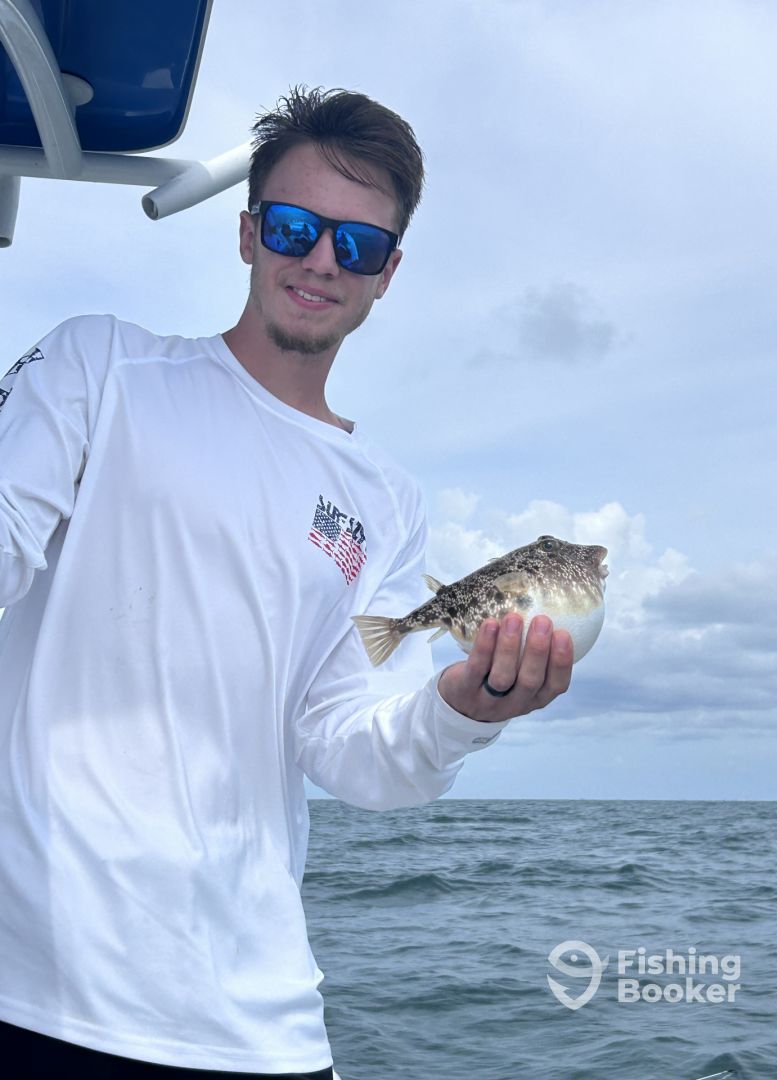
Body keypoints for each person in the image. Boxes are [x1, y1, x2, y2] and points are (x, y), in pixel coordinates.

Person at [0, 87, 573, 1077]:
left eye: (358, 244)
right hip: (34, 989)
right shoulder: (99, 368)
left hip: (258, 1023)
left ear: (388, 273)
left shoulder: (386, 501)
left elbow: (350, 747)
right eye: (295, 228)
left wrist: (461, 710)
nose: (320, 261)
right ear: (247, 232)